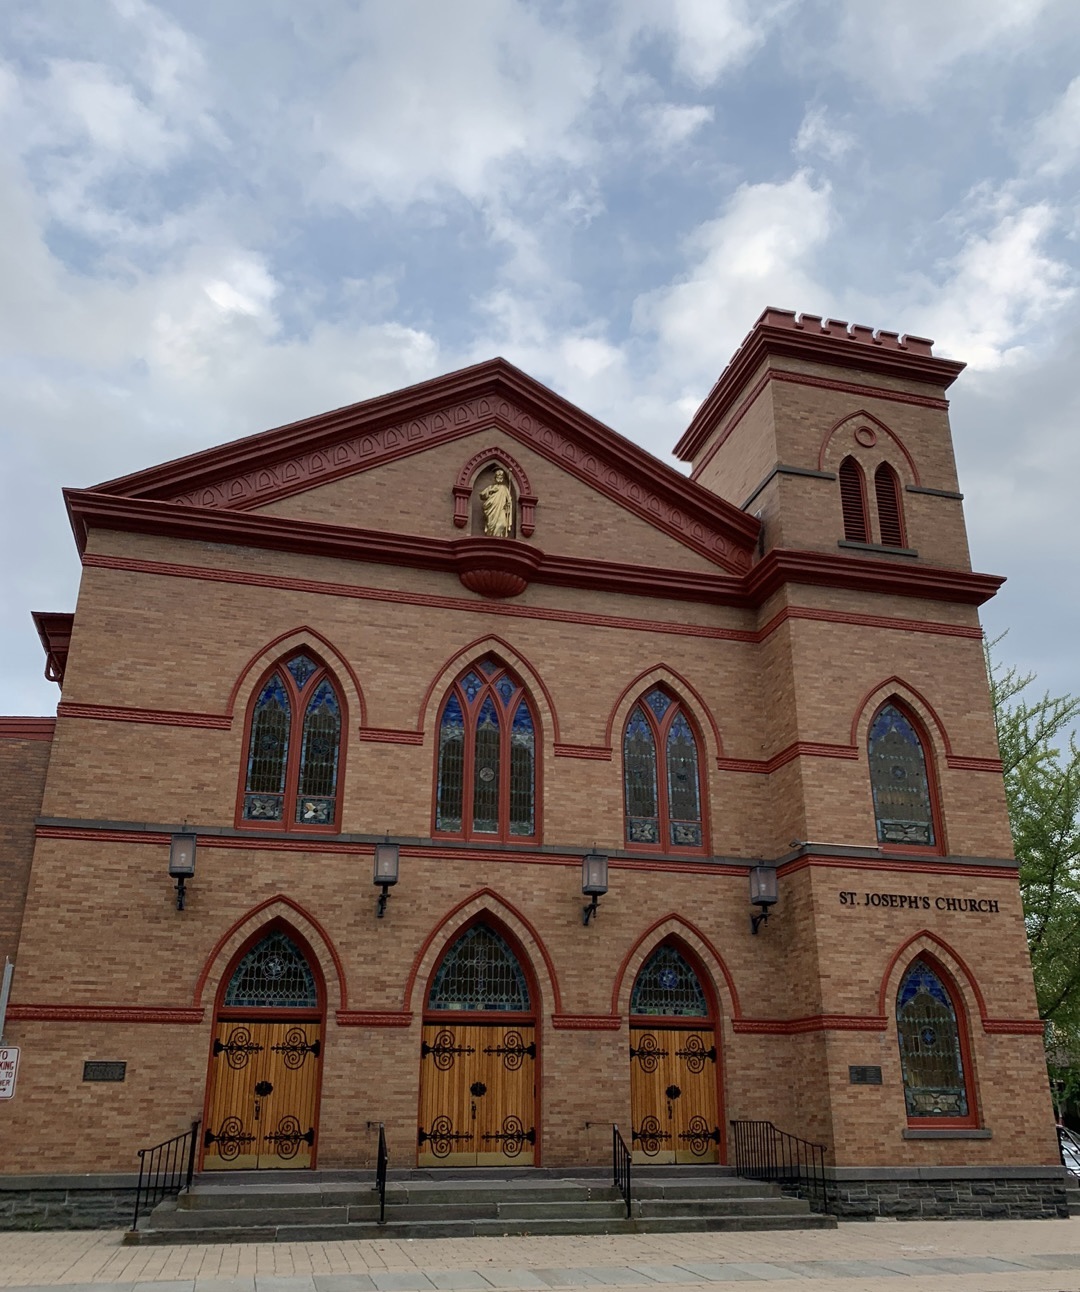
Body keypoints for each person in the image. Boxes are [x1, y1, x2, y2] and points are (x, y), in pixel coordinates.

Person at [480, 468, 514, 537]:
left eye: (501, 476)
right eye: (498, 475)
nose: (500, 477)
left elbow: (509, 499)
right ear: (495, 477)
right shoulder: (491, 487)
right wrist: (491, 491)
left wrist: (508, 505)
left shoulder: (504, 488)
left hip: (501, 510)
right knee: (491, 526)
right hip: (492, 510)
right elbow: (482, 495)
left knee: (503, 524)